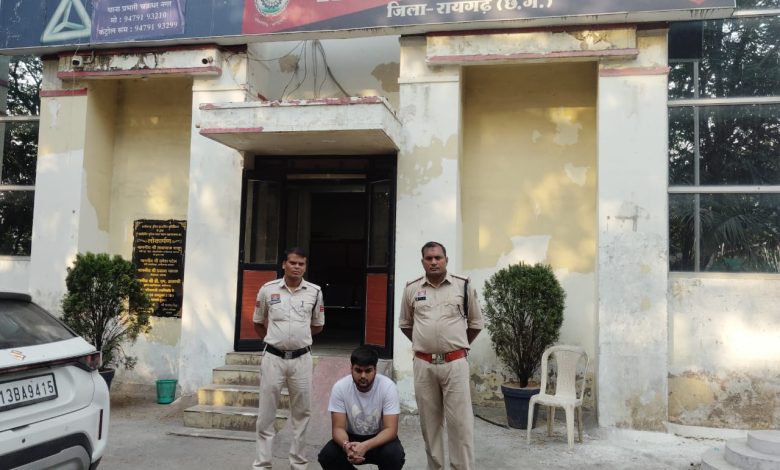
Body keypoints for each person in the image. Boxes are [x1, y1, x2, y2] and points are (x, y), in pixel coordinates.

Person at [399, 241, 484, 470]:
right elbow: (405, 324)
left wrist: (455, 346)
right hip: (424, 365)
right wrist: (425, 344)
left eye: (438, 257)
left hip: (455, 364)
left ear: (446, 259)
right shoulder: (412, 288)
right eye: (429, 258)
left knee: (460, 425)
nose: (434, 262)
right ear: (422, 262)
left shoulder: (462, 285)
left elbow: (476, 323)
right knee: (429, 425)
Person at [252, 247, 325, 470]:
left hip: (301, 360)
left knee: (302, 414)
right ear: (284, 264)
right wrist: (276, 340)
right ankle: (263, 464)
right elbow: (258, 322)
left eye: (301, 264)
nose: (297, 267)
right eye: (293, 263)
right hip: (273, 358)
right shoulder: (268, 290)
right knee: (266, 414)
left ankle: (298, 463)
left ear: (305, 266)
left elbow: (317, 325)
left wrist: (297, 340)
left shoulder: (314, 292)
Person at [318, 346, 405, 470]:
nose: (363, 376)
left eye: (368, 371)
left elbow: (391, 430)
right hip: (351, 439)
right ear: (351, 369)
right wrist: (346, 446)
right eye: (358, 370)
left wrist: (365, 446)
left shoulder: (388, 387)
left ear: (375, 370)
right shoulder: (340, 387)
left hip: (379, 440)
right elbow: (338, 428)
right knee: (328, 456)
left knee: (394, 455)